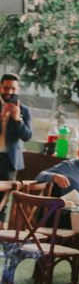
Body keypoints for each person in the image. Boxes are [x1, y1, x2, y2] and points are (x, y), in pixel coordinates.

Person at [0, 73, 32, 228]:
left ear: (18, 89)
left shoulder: (24, 111)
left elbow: (27, 136)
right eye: (6, 88)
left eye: (13, 88)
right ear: (0, 87)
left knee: (2, 202)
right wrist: (2, 116)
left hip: (9, 161)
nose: (9, 92)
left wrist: (17, 119)